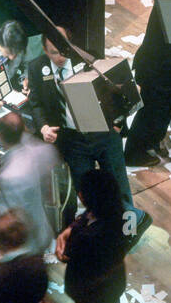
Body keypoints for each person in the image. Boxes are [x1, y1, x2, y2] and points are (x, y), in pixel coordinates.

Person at [26, 27, 135, 222]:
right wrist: (43, 127)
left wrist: (118, 123)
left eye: (63, 51)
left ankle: (129, 227)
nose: (60, 57)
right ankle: (101, 227)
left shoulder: (87, 59)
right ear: (44, 50)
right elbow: (36, 103)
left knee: (119, 185)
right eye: (53, 52)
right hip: (73, 141)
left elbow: (116, 92)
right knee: (87, 191)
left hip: (103, 133)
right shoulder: (36, 68)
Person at [58, 168, 130, 303]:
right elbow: (85, 217)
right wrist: (71, 228)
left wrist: (69, 236)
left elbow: (68, 255)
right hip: (107, 282)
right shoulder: (115, 211)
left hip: (90, 291)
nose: (79, 193)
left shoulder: (89, 237)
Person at [0, 110, 59, 256]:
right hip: (43, 223)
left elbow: (11, 220)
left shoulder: (11, 178)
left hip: (26, 244)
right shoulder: (37, 147)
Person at [122, 0, 171, 167]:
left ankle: (152, 141)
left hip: (156, 68)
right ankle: (133, 153)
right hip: (156, 70)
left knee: (165, 107)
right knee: (151, 111)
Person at [0, 19, 29, 93]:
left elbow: (27, 64)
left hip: (15, 88)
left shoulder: (18, 44)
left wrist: (25, 79)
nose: (12, 57)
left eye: (16, 53)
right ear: (1, 44)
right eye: (9, 52)